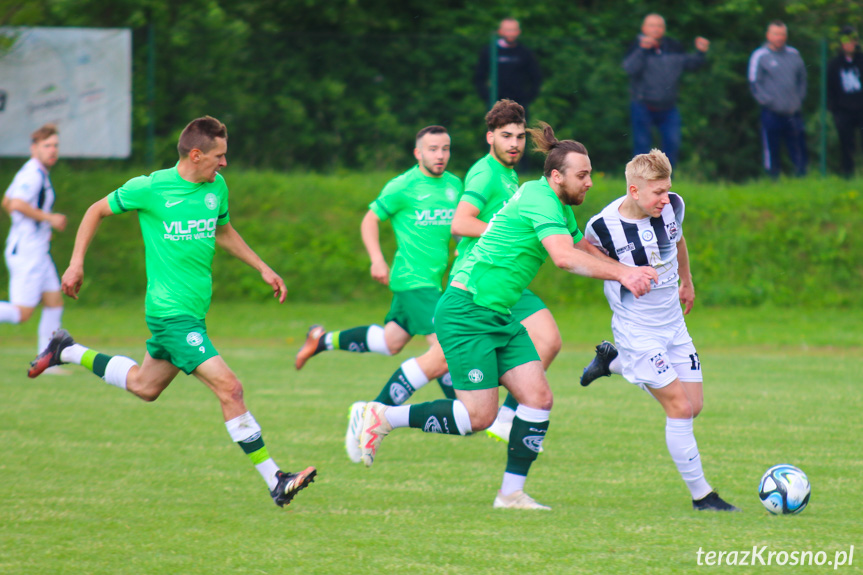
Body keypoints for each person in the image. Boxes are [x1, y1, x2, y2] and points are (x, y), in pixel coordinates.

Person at [357, 122, 658, 510]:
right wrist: (625, 274)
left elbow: (581, 244)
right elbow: (564, 258)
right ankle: (382, 416)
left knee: (538, 398)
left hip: (498, 313)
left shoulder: (555, 203)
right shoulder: (538, 197)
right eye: (582, 175)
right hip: (467, 309)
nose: (589, 183)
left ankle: (510, 494)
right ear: (556, 175)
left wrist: (625, 268)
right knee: (478, 416)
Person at [27, 116, 316, 508]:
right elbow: (96, 210)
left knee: (144, 387)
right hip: (170, 315)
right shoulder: (151, 188)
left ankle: (67, 350)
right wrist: (76, 263)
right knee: (230, 388)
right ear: (196, 154)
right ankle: (275, 479)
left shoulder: (216, 187)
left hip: (192, 315)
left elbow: (223, 229)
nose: (225, 164)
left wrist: (262, 267)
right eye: (219, 156)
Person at [579, 149, 738, 512]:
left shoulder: (671, 207)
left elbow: (678, 240)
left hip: (674, 326)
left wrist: (687, 281)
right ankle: (703, 497)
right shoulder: (603, 225)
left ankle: (613, 363)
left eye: (667, 189)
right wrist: (621, 272)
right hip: (638, 331)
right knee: (679, 409)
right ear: (634, 191)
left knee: (694, 406)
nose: (664, 199)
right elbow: (583, 252)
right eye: (657, 192)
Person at [294, 126, 462, 461]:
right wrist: (377, 259)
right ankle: (378, 411)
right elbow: (370, 220)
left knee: (391, 342)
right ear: (418, 153)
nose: (439, 155)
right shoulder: (403, 185)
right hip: (414, 281)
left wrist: (462, 249)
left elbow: (459, 226)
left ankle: (322, 340)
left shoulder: (455, 186)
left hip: (433, 281)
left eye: (444, 149)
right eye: (432, 149)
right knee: (442, 348)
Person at [1, 124, 68, 370]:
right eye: (47, 146)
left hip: (36, 248)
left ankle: (46, 362)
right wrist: (47, 219)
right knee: (22, 313)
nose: (52, 150)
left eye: (55, 145)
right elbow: (16, 203)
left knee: (54, 301)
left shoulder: (34, 171)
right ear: (34, 148)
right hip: (28, 251)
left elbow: (6, 201)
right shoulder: (32, 174)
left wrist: (38, 226)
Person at [622, 13, 710, 168]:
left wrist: (700, 52)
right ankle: (640, 181)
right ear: (643, 28)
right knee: (642, 147)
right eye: (651, 25)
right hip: (643, 104)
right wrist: (642, 50)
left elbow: (691, 65)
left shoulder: (673, 46)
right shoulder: (636, 46)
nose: (656, 29)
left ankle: (667, 181)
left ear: (664, 29)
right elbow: (629, 69)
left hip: (668, 106)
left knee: (672, 143)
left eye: (659, 26)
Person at [748, 20, 808, 178]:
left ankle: (802, 178)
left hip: (793, 111)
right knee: (772, 148)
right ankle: (773, 178)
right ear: (768, 35)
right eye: (776, 33)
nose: (779, 37)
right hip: (771, 112)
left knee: (798, 146)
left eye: (782, 34)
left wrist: (798, 100)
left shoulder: (794, 54)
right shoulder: (760, 55)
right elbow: (754, 83)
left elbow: (802, 79)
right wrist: (768, 102)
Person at [474, 18, 542, 118]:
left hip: (519, 103)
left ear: (519, 32)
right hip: (496, 104)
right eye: (507, 30)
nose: (511, 33)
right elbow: (479, 77)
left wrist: (526, 98)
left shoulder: (525, 52)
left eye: (513, 30)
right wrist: (488, 97)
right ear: (500, 31)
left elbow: (536, 77)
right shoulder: (489, 51)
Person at [827, 25, 863, 178]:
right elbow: (830, 89)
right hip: (843, 111)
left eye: (852, 40)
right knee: (846, 144)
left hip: (861, 108)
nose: (849, 43)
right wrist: (835, 110)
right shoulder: (834, 64)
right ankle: (848, 175)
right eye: (845, 40)